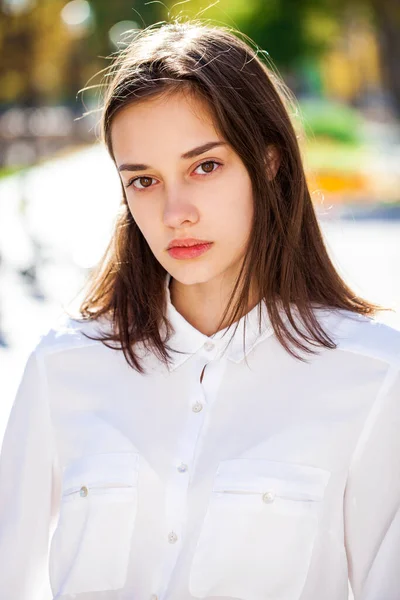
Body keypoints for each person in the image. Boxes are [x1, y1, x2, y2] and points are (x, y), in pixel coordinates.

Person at [0, 19, 399, 600]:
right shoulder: (62, 365)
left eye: (204, 166)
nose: (174, 212)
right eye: (143, 180)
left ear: (268, 162)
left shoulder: (373, 376)